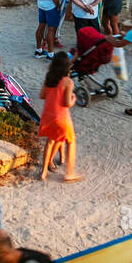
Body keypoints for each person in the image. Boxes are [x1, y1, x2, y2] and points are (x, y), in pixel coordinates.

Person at [37, 51, 82, 182]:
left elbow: (42, 95)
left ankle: (43, 172)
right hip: (61, 117)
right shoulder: (68, 82)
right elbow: (67, 103)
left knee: (50, 141)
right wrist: (74, 98)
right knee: (71, 140)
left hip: (48, 115)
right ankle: (69, 173)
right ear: (67, 67)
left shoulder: (49, 78)